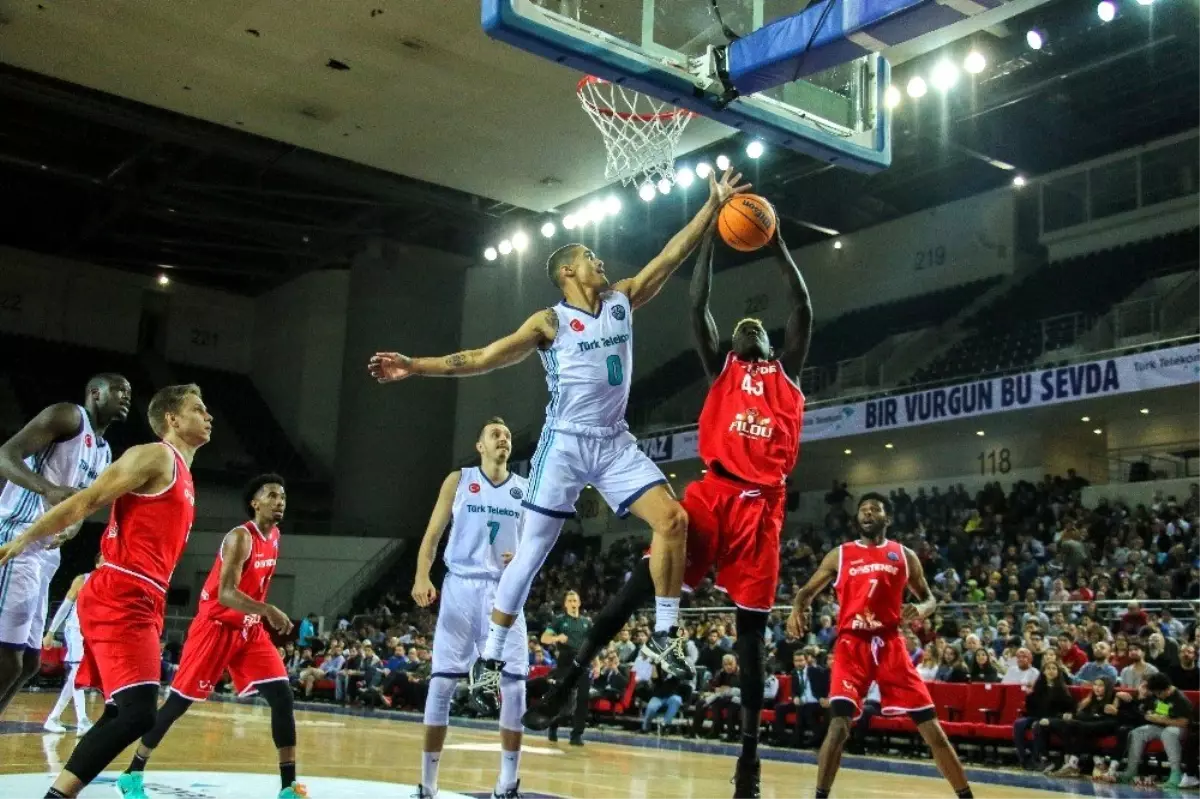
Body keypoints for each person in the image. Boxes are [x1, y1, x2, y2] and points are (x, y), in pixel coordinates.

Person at [369, 168, 751, 697]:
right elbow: (479, 358)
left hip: (614, 441)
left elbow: (669, 256)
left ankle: (665, 633)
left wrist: (711, 208)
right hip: (565, 444)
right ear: (569, 270)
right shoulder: (548, 323)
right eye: (591, 257)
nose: (601, 262)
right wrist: (415, 365)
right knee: (531, 555)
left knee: (674, 519)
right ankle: (491, 657)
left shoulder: (622, 299)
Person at [524, 219, 812, 798]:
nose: (746, 326)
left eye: (755, 326)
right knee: (636, 586)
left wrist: (774, 238)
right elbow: (697, 301)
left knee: (751, 641)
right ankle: (566, 682)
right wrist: (709, 232)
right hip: (712, 497)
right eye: (738, 328)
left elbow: (800, 301)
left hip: (762, 511)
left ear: (769, 343)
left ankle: (749, 762)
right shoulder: (722, 369)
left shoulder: (788, 372)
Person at [0, 383, 210, 799]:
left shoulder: (184, 474)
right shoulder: (153, 455)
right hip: (121, 591)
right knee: (137, 714)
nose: (209, 416)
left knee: (119, 709)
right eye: (198, 409)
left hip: (147, 596)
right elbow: (86, 500)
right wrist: (24, 539)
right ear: (172, 419)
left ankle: (61, 792)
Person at [115, 474, 301, 799]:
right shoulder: (240, 538)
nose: (280, 501)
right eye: (272, 495)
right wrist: (268, 608)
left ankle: (288, 787)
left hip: (248, 629)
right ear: (255, 503)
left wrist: (260, 613)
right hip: (215, 627)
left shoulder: (276, 537)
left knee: (282, 697)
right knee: (177, 704)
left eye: (282, 496)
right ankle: (132, 772)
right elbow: (226, 594)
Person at [787, 494, 974, 799]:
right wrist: (797, 609)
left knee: (932, 730)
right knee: (839, 726)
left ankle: (966, 795)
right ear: (857, 519)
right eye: (863, 510)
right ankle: (820, 796)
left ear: (887, 519)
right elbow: (806, 592)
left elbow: (928, 597)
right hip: (851, 644)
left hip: (890, 643)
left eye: (875, 510)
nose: (868, 513)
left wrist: (923, 609)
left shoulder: (903, 554)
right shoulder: (841, 555)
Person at [410, 417, 529, 799]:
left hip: (504, 591)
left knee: (515, 688)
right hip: (461, 585)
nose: (503, 439)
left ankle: (507, 784)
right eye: (496, 434)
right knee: (442, 683)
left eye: (507, 435)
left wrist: (523, 558)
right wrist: (421, 576)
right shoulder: (459, 480)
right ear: (480, 445)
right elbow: (432, 534)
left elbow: (536, 548)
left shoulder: (525, 490)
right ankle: (427, 786)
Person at [0, 373, 131, 718]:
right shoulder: (69, 417)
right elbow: (6, 454)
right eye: (118, 389)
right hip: (17, 536)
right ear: (94, 392)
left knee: (29, 663)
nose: (125, 395)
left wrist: (73, 526)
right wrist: (46, 489)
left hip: (46, 552)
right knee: (7, 659)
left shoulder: (104, 453)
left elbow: (79, 506)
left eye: (129, 392)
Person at [42, 555, 102, 734]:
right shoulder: (83, 579)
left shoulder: (112, 585)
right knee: (77, 673)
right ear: (97, 563)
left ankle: (53, 718)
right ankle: (82, 720)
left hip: (92, 634)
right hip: (75, 629)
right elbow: (65, 606)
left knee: (75, 678)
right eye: (105, 560)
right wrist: (51, 632)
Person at [541, 591, 593, 746]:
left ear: (579, 603)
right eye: (569, 600)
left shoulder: (587, 622)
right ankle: (553, 726)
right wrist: (557, 638)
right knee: (561, 697)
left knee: (583, 699)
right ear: (565, 604)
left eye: (574, 600)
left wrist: (596, 662)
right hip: (565, 662)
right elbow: (544, 638)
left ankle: (577, 734)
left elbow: (593, 642)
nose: (572, 603)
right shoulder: (559, 620)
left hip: (583, 661)